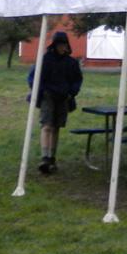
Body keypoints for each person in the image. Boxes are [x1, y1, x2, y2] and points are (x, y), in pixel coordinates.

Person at [29, 31, 83, 174]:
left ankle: (52, 157)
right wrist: (39, 91)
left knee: (56, 127)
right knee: (46, 125)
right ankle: (44, 158)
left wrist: (72, 92)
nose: (61, 47)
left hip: (64, 97)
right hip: (48, 96)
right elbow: (34, 77)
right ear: (54, 45)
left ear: (67, 45)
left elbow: (77, 80)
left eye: (63, 44)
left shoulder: (71, 63)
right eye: (59, 44)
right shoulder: (45, 60)